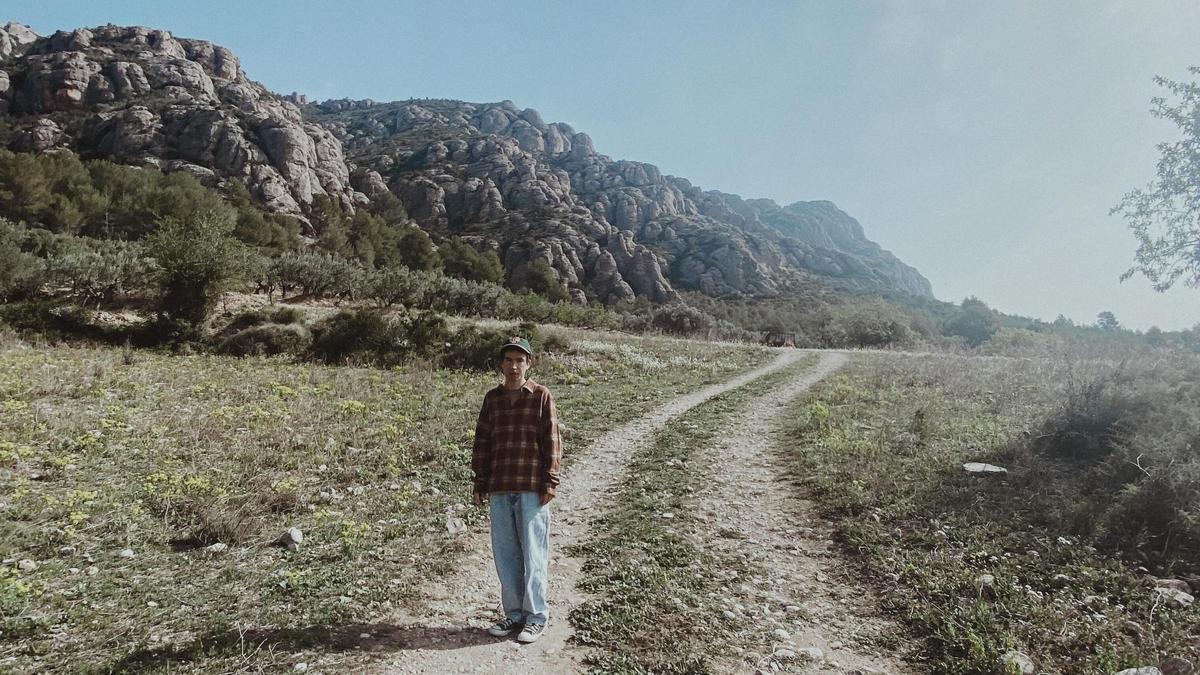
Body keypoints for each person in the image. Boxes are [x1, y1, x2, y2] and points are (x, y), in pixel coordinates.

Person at [471, 335, 562, 643]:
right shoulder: (492, 399)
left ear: (529, 363)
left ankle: (536, 617)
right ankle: (514, 614)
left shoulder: (540, 395)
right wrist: (480, 482)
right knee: (506, 554)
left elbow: (551, 440)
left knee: (534, 553)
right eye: (508, 360)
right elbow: (483, 441)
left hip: (531, 487)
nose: (513, 366)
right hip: (499, 486)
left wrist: (550, 480)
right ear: (501, 364)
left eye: (519, 360)